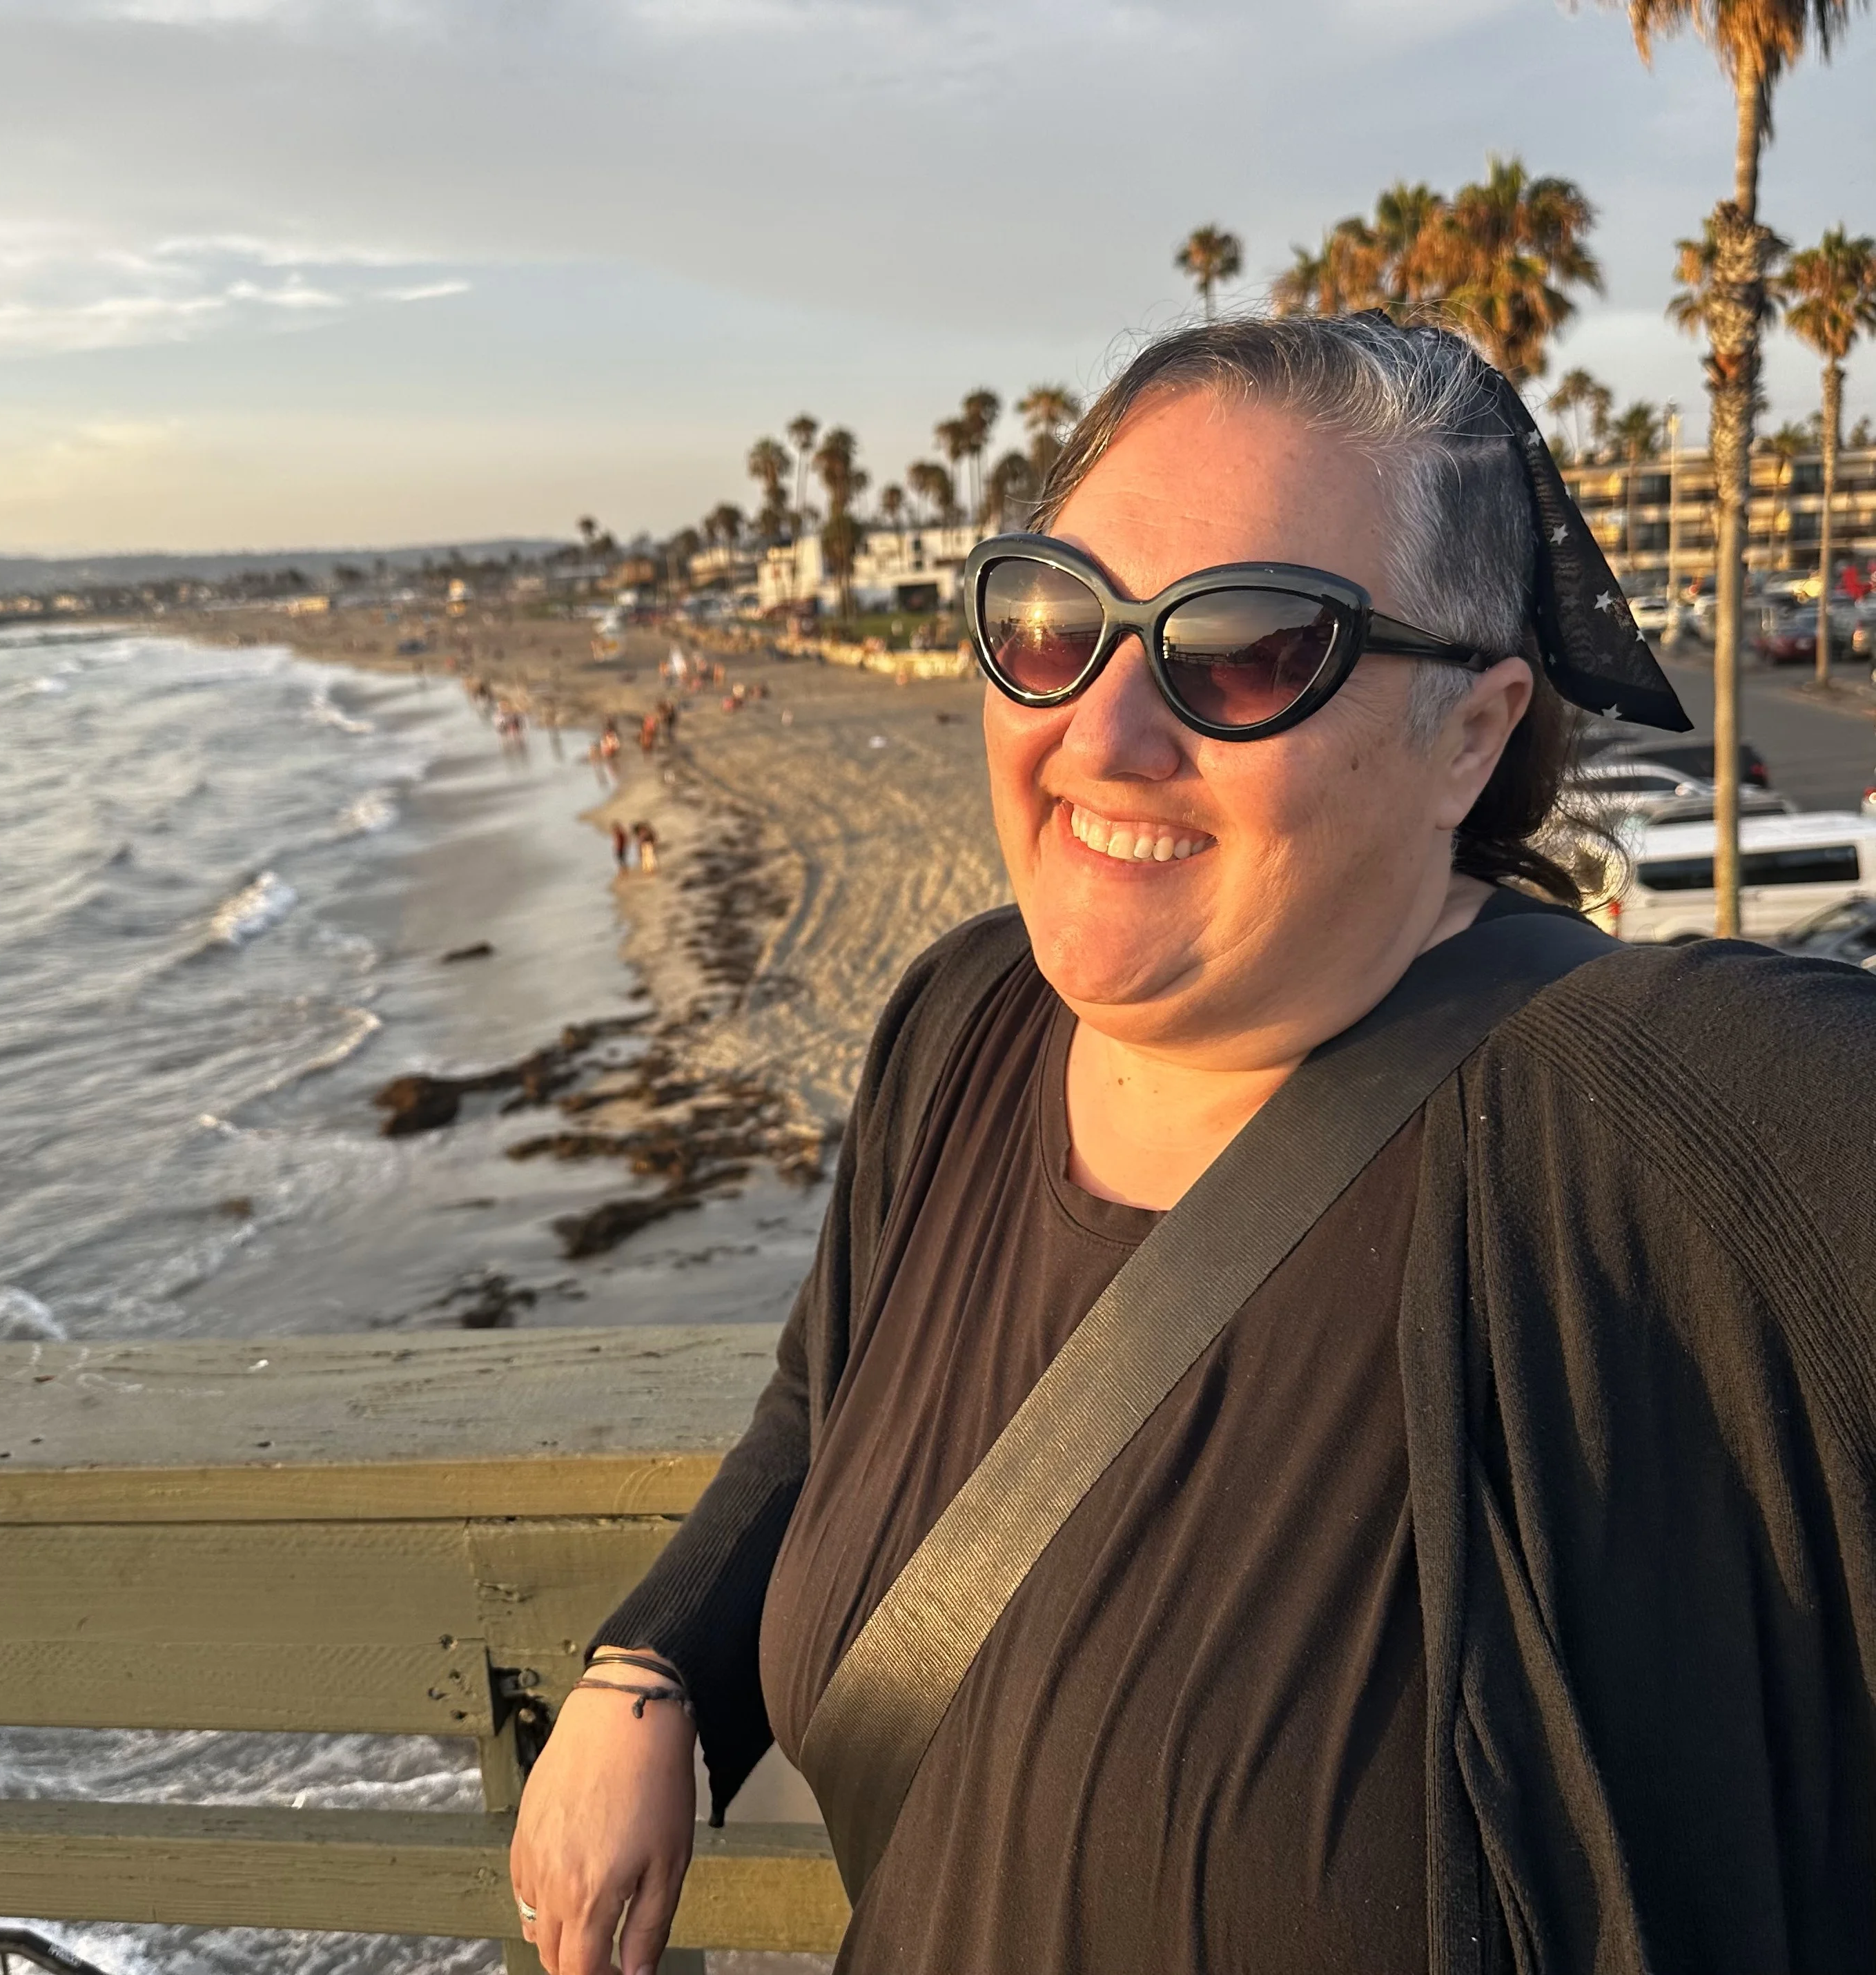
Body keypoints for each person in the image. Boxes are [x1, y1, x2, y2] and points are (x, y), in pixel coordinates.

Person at [508, 313, 1876, 1975]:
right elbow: (830, 1402)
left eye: (1240, 654)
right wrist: (655, 1667)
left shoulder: (1657, 1114)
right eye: (1051, 620)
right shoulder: (965, 1018)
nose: (1102, 729)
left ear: (1471, 728)